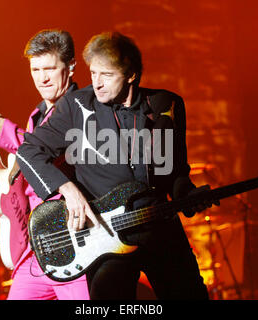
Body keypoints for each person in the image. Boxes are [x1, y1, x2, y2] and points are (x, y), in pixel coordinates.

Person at [16, 31, 217, 299]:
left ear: (131, 74)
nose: (96, 84)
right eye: (93, 74)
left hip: (159, 226)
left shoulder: (165, 105)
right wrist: (67, 190)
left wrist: (187, 194)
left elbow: (175, 172)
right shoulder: (77, 104)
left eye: (106, 75)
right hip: (105, 234)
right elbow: (28, 151)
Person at [0, 29, 90, 300]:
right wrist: (7, 175)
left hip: (73, 242)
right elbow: (31, 163)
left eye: (49, 69)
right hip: (38, 247)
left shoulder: (80, 107)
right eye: (35, 69)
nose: (42, 78)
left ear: (70, 67)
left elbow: (41, 153)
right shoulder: (38, 114)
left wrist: (1, 126)